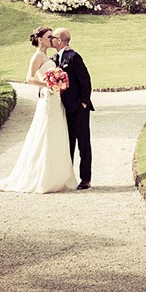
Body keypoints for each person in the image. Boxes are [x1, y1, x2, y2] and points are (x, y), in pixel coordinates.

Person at [0, 26, 77, 194]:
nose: (52, 39)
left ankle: (58, 176)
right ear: (41, 40)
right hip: (48, 96)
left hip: (55, 98)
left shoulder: (50, 56)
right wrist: (48, 83)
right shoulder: (37, 56)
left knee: (58, 133)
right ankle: (43, 178)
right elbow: (29, 78)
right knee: (46, 134)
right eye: (50, 37)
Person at [51, 27, 93, 190]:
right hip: (63, 109)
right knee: (67, 144)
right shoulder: (54, 58)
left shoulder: (74, 57)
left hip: (79, 109)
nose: (51, 40)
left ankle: (86, 179)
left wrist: (83, 103)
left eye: (53, 37)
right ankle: (68, 177)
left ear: (60, 40)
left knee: (83, 143)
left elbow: (86, 81)